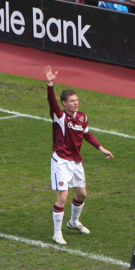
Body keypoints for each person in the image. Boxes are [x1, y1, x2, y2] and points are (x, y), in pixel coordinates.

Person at [44, 66, 114, 246]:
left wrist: (101, 148)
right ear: (64, 103)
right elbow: (51, 102)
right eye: (72, 101)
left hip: (76, 162)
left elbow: (87, 134)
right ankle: (57, 233)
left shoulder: (82, 117)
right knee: (63, 196)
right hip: (61, 161)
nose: (76, 103)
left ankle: (73, 222)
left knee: (82, 194)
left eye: (77, 100)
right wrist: (50, 84)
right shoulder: (59, 117)